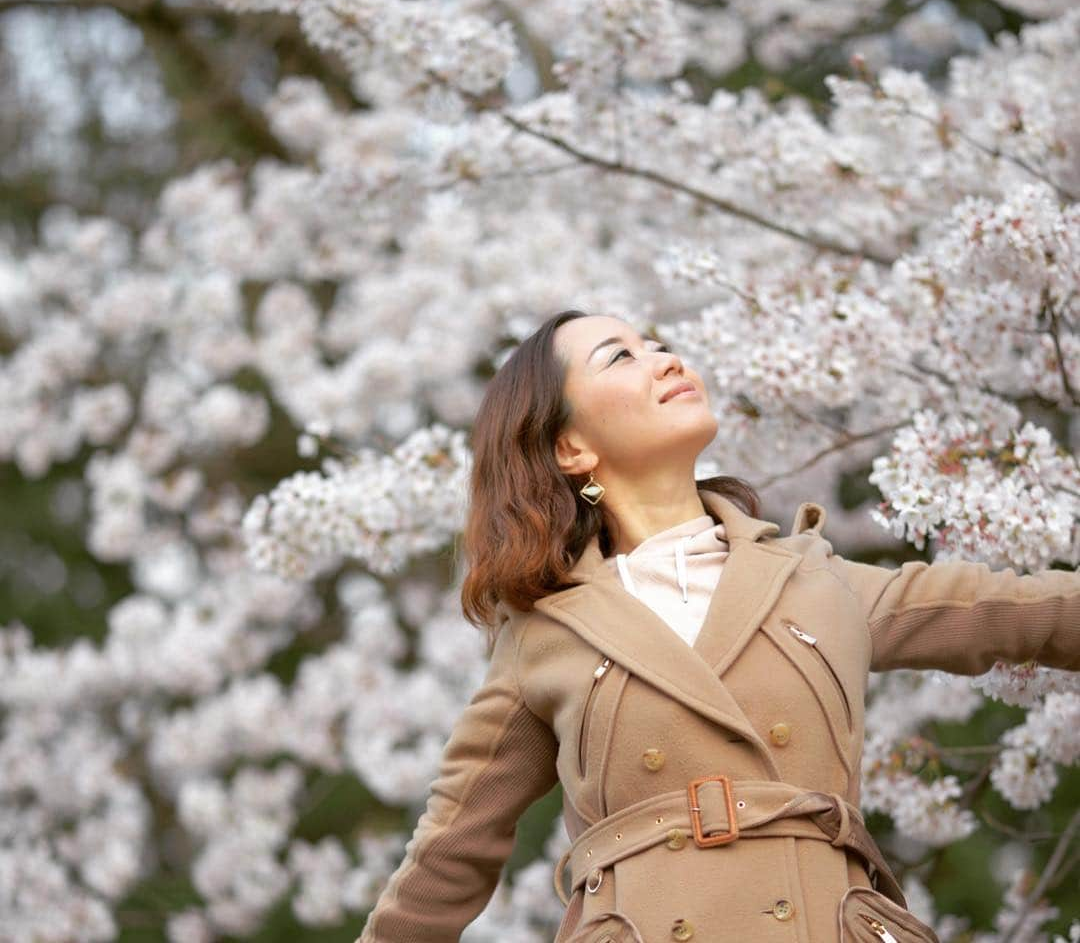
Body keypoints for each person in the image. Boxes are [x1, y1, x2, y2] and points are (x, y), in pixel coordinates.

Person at [357, 309, 1080, 943]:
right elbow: (449, 854)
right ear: (572, 448)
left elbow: (1024, 612)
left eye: (658, 343)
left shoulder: (814, 579)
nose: (667, 358)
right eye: (621, 356)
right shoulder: (545, 635)